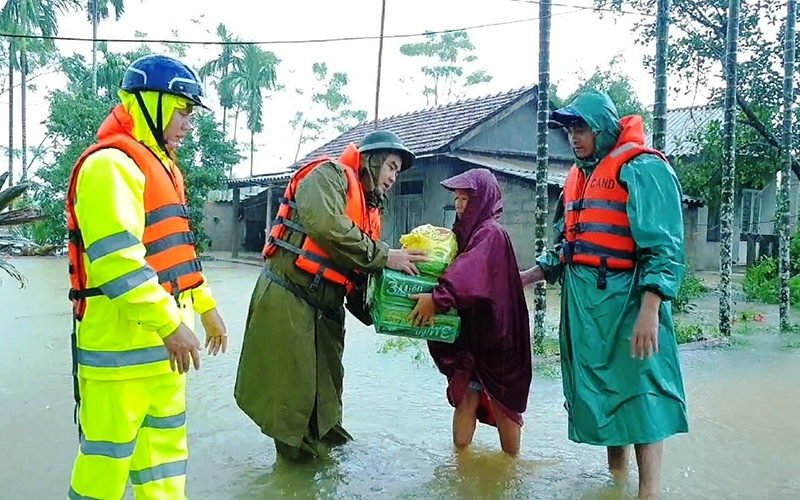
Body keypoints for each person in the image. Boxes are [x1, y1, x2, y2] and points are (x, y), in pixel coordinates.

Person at [64, 54, 229, 500]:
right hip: (119, 360)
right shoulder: (109, 166)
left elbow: (175, 256)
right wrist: (169, 324)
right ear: (150, 102)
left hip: (166, 357)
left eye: (190, 112)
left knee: (164, 471)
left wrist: (206, 307)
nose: (187, 123)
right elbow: (118, 263)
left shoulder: (165, 170)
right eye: (181, 109)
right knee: (104, 471)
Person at [519, 89, 688, 498]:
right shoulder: (577, 178)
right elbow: (567, 246)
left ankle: (648, 492)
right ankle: (616, 481)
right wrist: (526, 276)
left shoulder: (644, 169)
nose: (574, 137)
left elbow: (664, 247)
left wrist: (651, 308)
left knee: (641, 391)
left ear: (604, 128)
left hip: (629, 301)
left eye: (582, 128)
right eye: (570, 130)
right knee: (608, 394)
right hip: (587, 307)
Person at [234, 130, 428, 462]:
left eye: (398, 171)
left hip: (326, 309)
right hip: (289, 298)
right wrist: (384, 256)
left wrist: (391, 313)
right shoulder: (329, 176)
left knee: (326, 396)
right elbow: (325, 225)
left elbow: (356, 278)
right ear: (373, 160)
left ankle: (320, 463)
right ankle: (293, 475)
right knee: (290, 396)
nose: (394, 177)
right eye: (392, 167)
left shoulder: (369, 213)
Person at [407, 168, 532, 456]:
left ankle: (511, 469)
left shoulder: (490, 233)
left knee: (504, 406)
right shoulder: (464, 233)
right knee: (466, 394)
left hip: (499, 339)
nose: (460, 205)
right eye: (458, 199)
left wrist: (437, 298)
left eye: (466, 198)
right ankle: (460, 463)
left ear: (483, 200)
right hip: (474, 336)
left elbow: (467, 272)